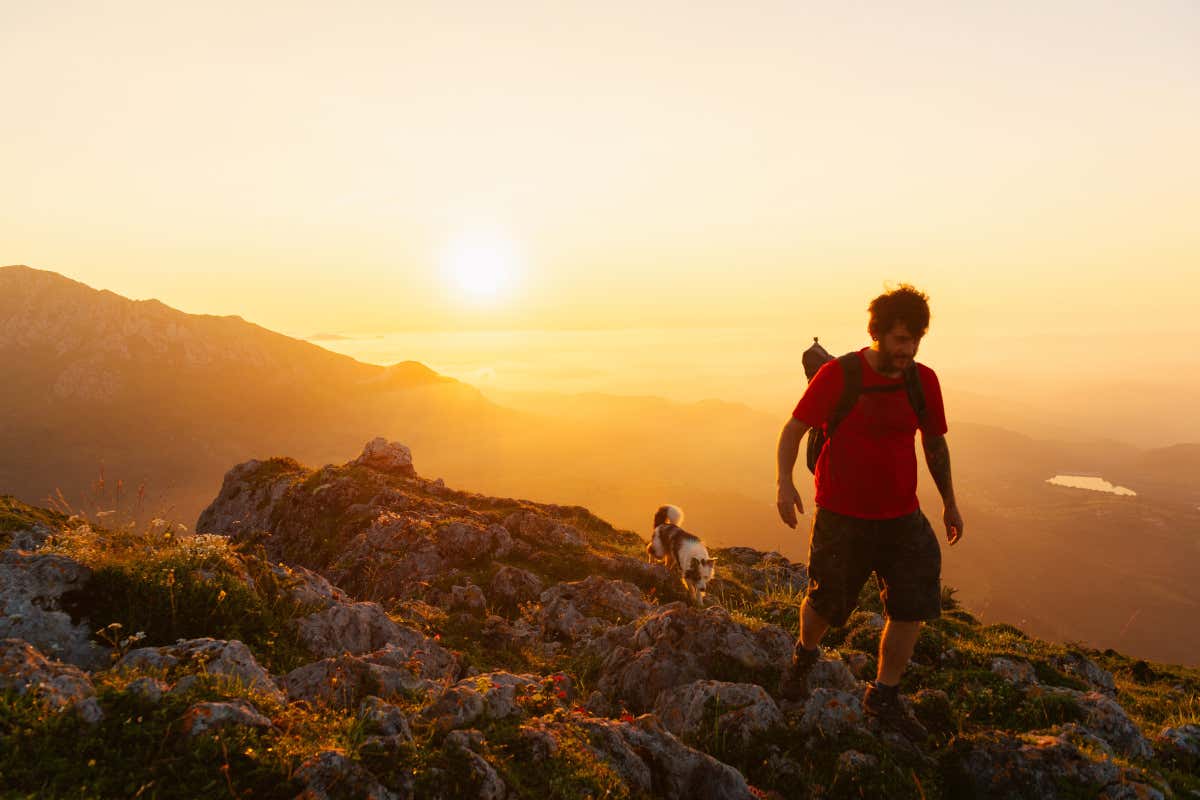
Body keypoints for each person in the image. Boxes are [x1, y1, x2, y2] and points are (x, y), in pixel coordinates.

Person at [774, 284, 963, 737]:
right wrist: (784, 483)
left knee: (912, 603)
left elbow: (934, 443)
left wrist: (950, 502)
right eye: (901, 339)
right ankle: (803, 655)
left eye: (916, 339)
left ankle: (884, 694)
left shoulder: (923, 380)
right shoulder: (841, 376)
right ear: (877, 334)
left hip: (901, 516)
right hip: (841, 515)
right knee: (826, 603)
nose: (909, 349)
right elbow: (794, 428)